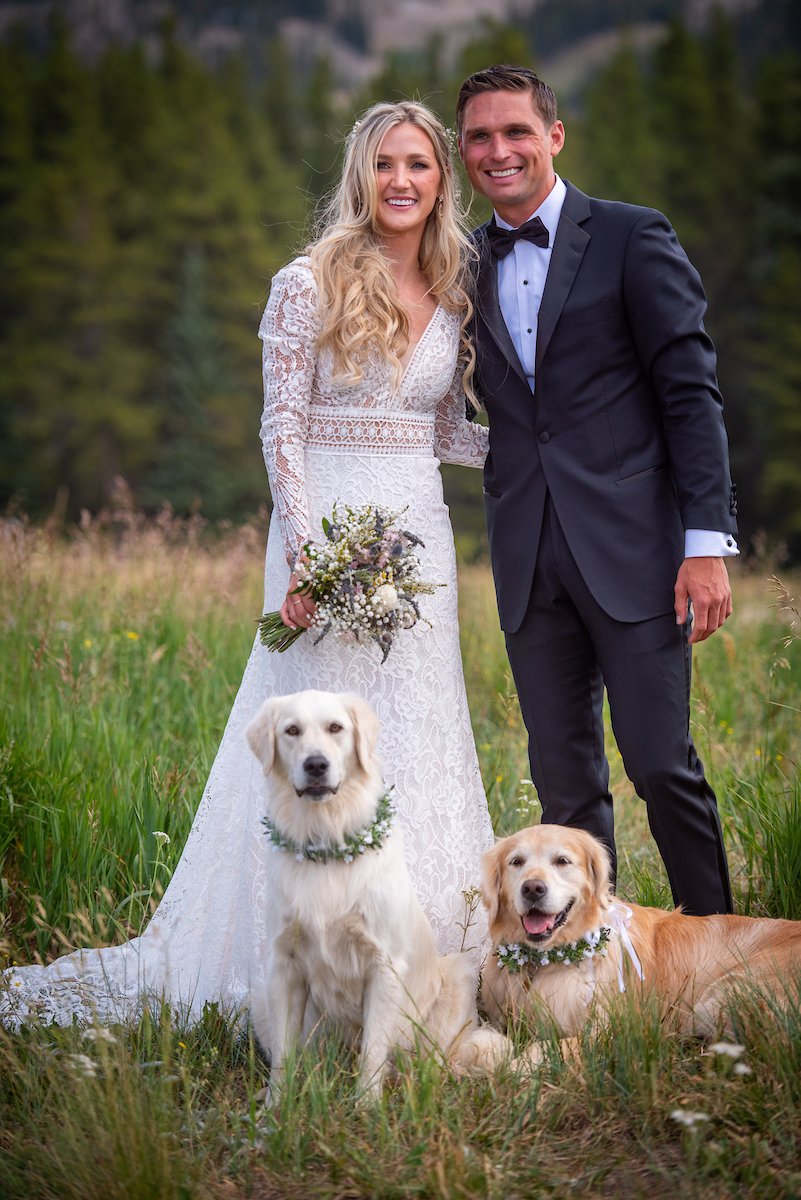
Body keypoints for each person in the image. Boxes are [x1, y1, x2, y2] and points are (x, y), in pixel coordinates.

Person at [1, 101, 494, 1029]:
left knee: (419, 739)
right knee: (315, 744)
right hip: (321, 541)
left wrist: (539, 447)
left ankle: (419, 973)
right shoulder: (306, 281)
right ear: (360, 173)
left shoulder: (453, 288)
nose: (401, 180)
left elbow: (440, 433)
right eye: (384, 163)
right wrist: (307, 554)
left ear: (441, 182)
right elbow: (284, 426)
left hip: (416, 544)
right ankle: (281, 968)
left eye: (419, 165)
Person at [455, 64, 738, 916]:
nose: (497, 151)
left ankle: (719, 945)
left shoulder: (629, 235)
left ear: (554, 136)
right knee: (563, 786)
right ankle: (591, 970)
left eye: (514, 132)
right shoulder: (460, 261)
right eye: (478, 137)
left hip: (636, 554)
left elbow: (689, 395)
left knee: (660, 765)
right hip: (525, 555)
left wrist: (705, 545)